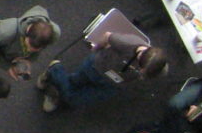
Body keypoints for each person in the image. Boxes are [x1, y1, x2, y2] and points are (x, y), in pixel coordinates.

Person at [37, 30, 168, 113]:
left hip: (114, 84)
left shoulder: (157, 66)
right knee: (74, 84)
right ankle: (55, 70)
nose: (140, 73)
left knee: (78, 100)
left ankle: (58, 83)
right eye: (141, 69)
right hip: (96, 67)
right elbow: (107, 36)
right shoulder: (128, 43)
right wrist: (96, 50)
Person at [0, 5, 60, 80]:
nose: (29, 50)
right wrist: (7, 66)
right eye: (28, 46)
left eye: (34, 50)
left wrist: (29, 59)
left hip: (10, 51)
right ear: (27, 32)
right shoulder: (3, 32)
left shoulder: (52, 34)